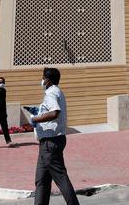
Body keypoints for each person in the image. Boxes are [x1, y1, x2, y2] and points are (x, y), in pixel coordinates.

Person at [30, 68, 79, 205]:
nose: (42, 80)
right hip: (48, 142)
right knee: (42, 180)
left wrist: (36, 119)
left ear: (48, 80)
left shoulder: (51, 93)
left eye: (43, 77)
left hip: (50, 143)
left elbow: (54, 112)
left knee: (61, 178)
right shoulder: (58, 92)